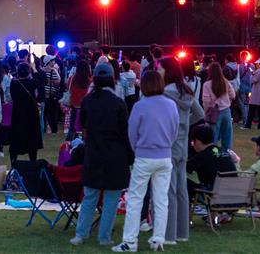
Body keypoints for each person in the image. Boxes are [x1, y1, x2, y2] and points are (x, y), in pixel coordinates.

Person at [113, 70, 178, 253]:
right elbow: (174, 131)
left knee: (135, 199)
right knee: (160, 199)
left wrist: (138, 149)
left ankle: (130, 241)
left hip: (144, 156)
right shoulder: (171, 105)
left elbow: (132, 133)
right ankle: (158, 239)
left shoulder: (140, 106)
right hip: (165, 156)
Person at [70, 63, 131, 247]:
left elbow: (84, 125)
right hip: (115, 155)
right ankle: (104, 237)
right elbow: (125, 131)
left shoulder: (88, 101)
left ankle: (81, 234)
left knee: (90, 197)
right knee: (111, 200)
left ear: (94, 79)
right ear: (112, 79)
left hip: (94, 153)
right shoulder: (118, 103)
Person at [161, 57, 204, 245]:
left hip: (169, 144)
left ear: (167, 71)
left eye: (160, 68)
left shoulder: (164, 93)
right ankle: (182, 232)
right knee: (181, 190)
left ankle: (169, 235)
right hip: (183, 143)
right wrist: (185, 126)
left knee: (168, 190)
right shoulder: (186, 90)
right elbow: (200, 114)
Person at [186, 124, 237, 195]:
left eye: (192, 142)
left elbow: (184, 168)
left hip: (214, 195)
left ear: (197, 141)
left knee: (182, 181)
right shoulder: (224, 152)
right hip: (233, 195)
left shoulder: (202, 156)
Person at [9, 63, 42, 163]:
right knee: (32, 137)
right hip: (31, 113)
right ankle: (33, 160)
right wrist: (34, 69)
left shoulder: (14, 84)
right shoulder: (32, 83)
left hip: (17, 113)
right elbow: (40, 81)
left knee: (16, 137)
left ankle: (14, 161)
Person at [202, 62, 236, 152]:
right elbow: (233, 95)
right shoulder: (225, 82)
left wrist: (206, 113)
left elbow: (206, 101)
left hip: (214, 112)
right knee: (227, 137)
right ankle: (227, 156)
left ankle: (213, 156)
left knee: (213, 138)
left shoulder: (207, 84)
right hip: (226, 111)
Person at [243, 59, 260, 131]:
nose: (256, 65)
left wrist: (252, 74)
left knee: (251, 111)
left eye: (257, 64)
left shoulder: (259, 71)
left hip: (256, 93)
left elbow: (253, 80)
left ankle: (248, 125)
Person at [40, 54, 62, 134]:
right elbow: (58, 82)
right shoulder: (53, 71)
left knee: (44, 113)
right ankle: (53, 129)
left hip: (44, 94)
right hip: (52, 94)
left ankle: (44, 128)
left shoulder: (41, 70)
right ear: (49, 62)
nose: (54, 62)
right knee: (53, 113)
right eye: (52, 61)